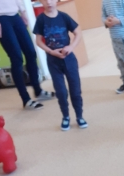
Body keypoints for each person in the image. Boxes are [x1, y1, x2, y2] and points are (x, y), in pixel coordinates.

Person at [33, 0, 87, 131]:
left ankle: (79, 116)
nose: (48, 2)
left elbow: (78, 33)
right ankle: (65, 117)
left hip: (69, 60)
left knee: (75, 90)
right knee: (61, 92)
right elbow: (38, 41)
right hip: (53, 62)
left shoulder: (64, 16)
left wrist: (71, 47)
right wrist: (50, 51)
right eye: (45, 0)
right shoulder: (40, 19)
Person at [0, 0, 54, 110]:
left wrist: (23, 11)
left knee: (31, 53)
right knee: (16, 57)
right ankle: (26, 100)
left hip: (15, 15)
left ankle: (38, 91)